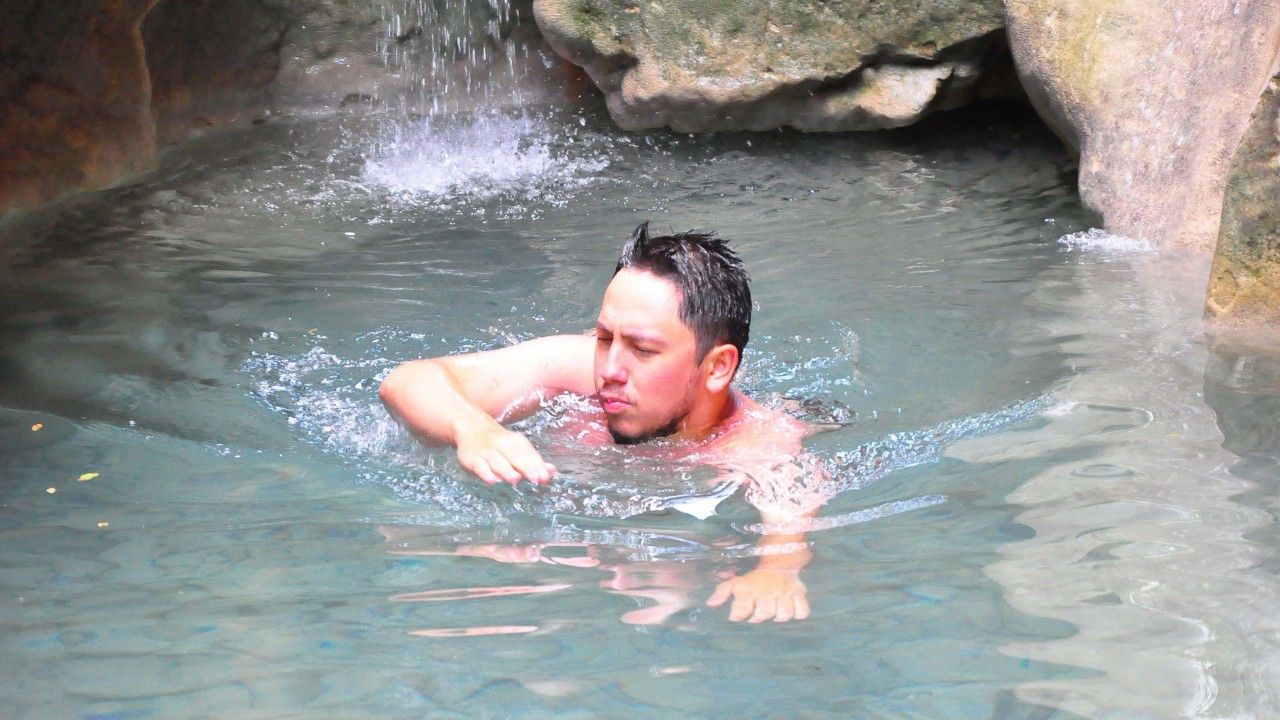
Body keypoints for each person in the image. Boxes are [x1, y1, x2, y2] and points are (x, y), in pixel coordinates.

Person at [379, 221, 834, 623]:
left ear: (717, 367)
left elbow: (786, 537)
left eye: (643, 349)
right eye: (603, 337)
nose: (609, 369)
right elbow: (407, 381)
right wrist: (473, 428)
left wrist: (775, 573)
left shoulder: (761, 443)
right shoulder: (573, 371)